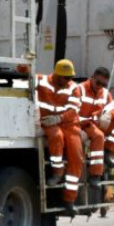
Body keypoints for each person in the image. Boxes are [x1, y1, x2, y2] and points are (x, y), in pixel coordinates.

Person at [36, 58, 84, 216]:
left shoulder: (74, 88)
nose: (69, 80)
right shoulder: (42, 80)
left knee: (76, 158)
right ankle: (58, 172)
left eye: (71, 77)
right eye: (66, 77)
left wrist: (59, 118)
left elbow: (73, 110)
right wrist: (23, 67)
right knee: (56, 137)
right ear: (56, 75)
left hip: (69, 125)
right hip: (48, 122)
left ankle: (69, 199)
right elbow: (27, 76)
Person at [75, 66, 114, 179]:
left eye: (103, 84)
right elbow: (73, 113)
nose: (100, 86)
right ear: (92, 78)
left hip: (98, 124)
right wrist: (90, 121)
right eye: (98, 83)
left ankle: (108, 151)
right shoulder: (79, 90)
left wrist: (109, 115)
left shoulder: (105, 93)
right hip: (85, 125)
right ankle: (95, 175)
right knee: (99, 135)